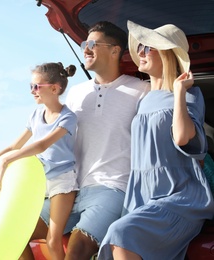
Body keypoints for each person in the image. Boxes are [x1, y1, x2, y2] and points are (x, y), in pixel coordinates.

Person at [20, 21, 150, 260]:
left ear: (114, 50)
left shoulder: (142, 90)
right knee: (16, 233)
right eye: (83, 44)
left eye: (92, 44)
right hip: (70, 189)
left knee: (77, 250)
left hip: (112, 189)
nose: (85, 49)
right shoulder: (77, 92)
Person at [98, 20, 214, 260]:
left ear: (169, 55)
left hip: (179, 195)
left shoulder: (190, 94)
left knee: (120, 233)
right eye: (139, 47)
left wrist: (180, 92)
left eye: (147, 48)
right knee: (117, 240)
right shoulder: (143, 100)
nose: (140, 52)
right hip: (141, 194)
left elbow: (182, 137)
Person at [0, 62, 79, 260]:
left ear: (55, 88)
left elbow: (42, 145)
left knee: (52, 240)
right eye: (31, 86)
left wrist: (8, 160)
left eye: (36, 87)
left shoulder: (67, 118)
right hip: (41, 181)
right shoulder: (35, 115)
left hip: (62, 182)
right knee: (17, 235)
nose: (32, 91)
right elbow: (15, 145)